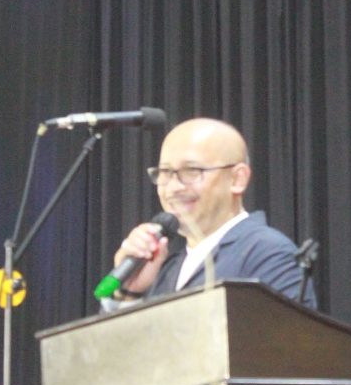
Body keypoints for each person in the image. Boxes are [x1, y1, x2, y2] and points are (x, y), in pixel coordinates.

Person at [109, 117, 316, 309]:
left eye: (192, 171)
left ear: (237, 179)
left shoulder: (268, 254)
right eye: (165, 172)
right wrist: (131, 293)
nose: (173, 188)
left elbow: (289, 335)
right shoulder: (166, 268)